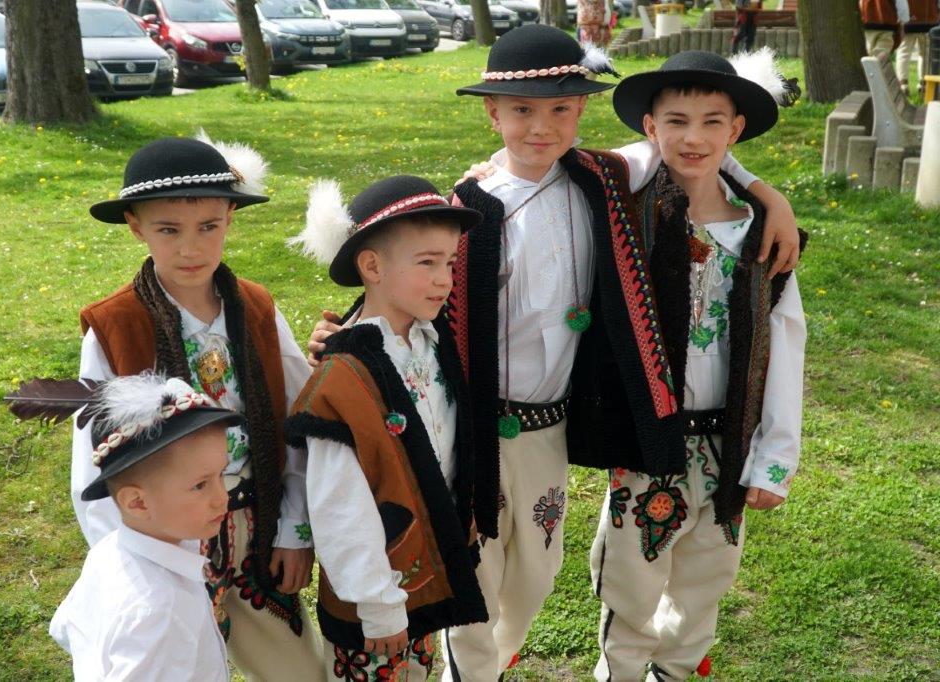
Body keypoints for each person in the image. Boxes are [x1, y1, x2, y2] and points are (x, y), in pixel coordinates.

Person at [308, 25, 801, 681]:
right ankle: (472, 673)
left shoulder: (604, 176)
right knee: (478, 568)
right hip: (477, 428)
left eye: (561, 109)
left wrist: (767, 193)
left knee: (537, 573)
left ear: (582, 110)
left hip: (551, 427)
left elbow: (692, 147)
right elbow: (414, 281)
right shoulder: (470, 206)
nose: (541, 127)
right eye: (522, 111)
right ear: (493, 113)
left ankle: (496, 660)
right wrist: (349, 333)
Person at [589, 49, 806, 681]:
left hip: (727, 439)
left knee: (707, 578)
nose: (694, 138)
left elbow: (785, 343)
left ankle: (676, 672)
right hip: (648, 438)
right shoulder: (629, 216)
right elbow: (572, 166)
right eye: (676, 121)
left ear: (736, 130)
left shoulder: (762, 234)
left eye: (713, 122)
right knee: (630, 579)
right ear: (649, 127)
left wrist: (775, 454)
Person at [73, 135, 323, 679]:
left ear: (230, 217)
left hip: (258, 527)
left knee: (301, 671)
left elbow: (296, 422)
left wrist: (293, 528)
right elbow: (96, 464)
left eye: (208, 226)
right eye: (169, 230)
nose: (191, 248)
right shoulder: (115, 327)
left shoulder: (256, 309)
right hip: (168, 539)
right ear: (135, 226)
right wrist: (135, 564)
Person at [285, 175, 488, 680]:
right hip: (375, 598)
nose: (444, 280)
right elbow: (340, 507)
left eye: (450, 263)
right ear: (372, 267)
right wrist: (377, 603)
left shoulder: (432, 342)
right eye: (427, 263)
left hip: (422, 573)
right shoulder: (342, 379)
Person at [9, 373, 240, 680]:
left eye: (221, 474)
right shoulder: (159, 610)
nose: (222, 497)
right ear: (137, 503)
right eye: (200, 485)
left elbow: (69, 627)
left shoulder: (108, 551)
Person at [896, 0, 940, 94]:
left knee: (904, 53)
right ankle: (923, 84)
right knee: (925, 54)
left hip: (908, 20)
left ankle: (903, 84)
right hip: (928, 20)